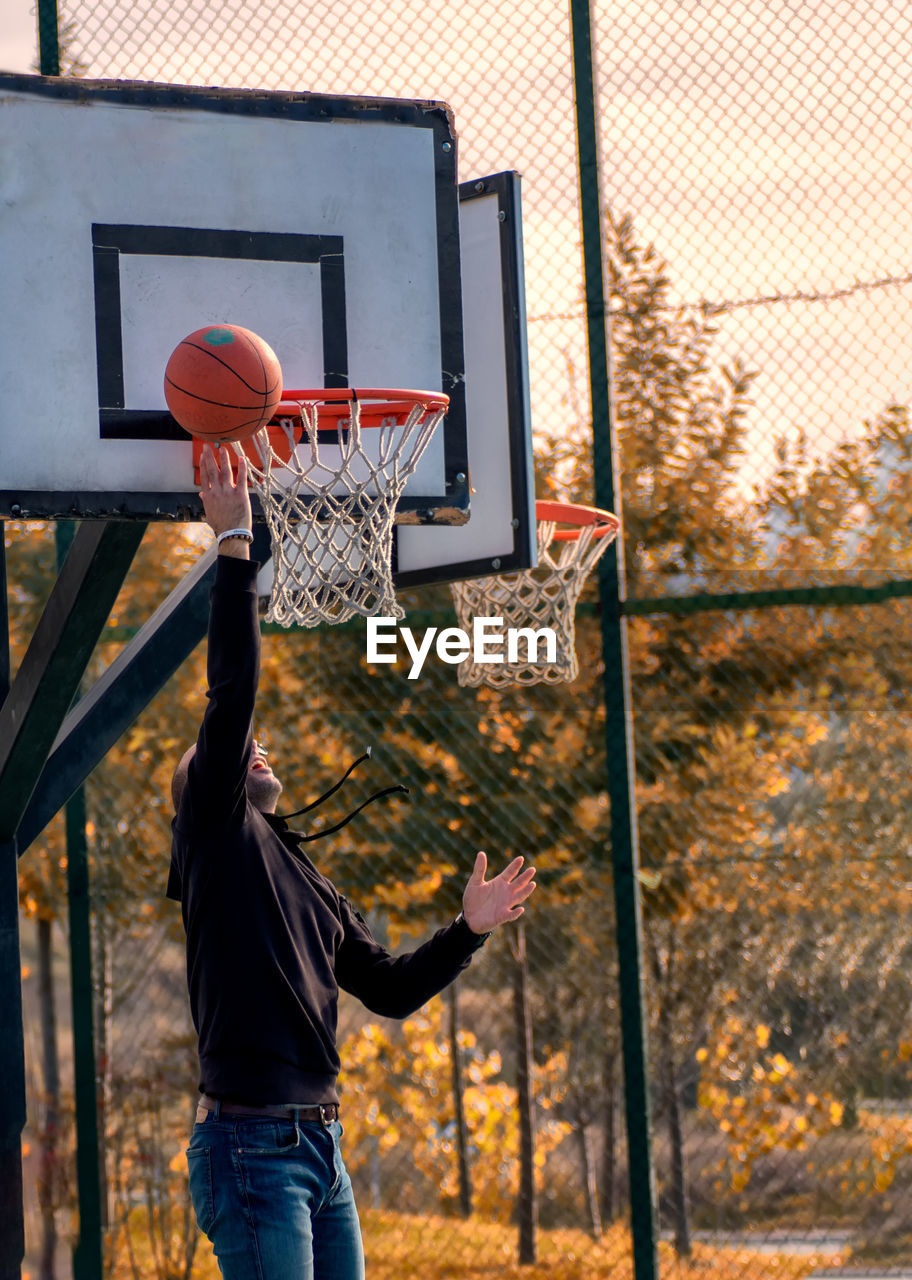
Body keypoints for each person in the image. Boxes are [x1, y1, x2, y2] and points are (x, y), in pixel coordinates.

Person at [167, 445, 537, 1280]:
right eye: (224, 755)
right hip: (251, 1145)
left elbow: (394, 991)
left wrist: (466, 931)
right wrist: (234, 543)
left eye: (254, 748)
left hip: (322, 1145)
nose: (249, 748)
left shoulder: (310, 884)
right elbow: (232, 698)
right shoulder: (215, 835)